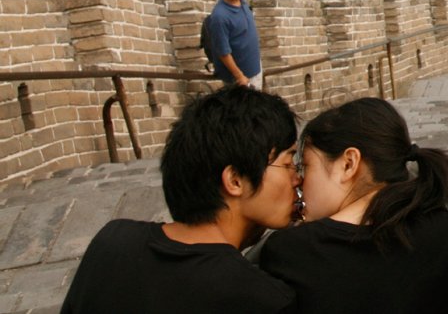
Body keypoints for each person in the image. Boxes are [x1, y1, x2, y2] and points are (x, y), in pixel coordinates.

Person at [61, 86, 302, 314]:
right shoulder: (262, 299)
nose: (298, 179)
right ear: (235, 180)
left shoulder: (112, 242)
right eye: (289, 164)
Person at [259, 98, 448, 314]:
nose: (299, 179)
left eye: (306, 166)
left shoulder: (291, 253)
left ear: (349, 163)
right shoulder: (447, 229)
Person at [210, 0, 263, 89]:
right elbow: (223, 52)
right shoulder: (220, 16)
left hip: (254, 67)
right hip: (241, 78)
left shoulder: (242, 1)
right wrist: (239, 76)